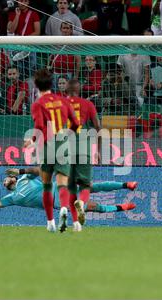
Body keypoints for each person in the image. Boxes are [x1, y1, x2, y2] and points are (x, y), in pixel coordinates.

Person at [0, 166, 138, 227]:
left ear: (13, 177)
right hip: (57, 200)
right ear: (7, 187)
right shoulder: (12, 198)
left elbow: (38, 170)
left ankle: (126, 185)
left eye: (7, 177)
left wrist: (20, 170)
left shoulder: (24, 179)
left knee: (93, 187)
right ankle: (123, 207)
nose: (5, 180)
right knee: (95, 206)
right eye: (4, 182)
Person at [26, 68, 79, 233]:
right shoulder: (63, 101)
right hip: (62, 142)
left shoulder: (38, 104)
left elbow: (40, 126)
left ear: (36, 85)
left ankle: (50, 222)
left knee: (47, 185)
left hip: (46, 144)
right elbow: (76, 123)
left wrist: (32, 140)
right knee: (63, 183)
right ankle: (64, 208)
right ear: (52, 84)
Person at [66, 79, 101, 227]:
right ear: (79, 89)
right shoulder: (88, 104)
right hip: (84, 149)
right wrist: (98, 151)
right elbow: (98, 127)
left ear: (66, 90)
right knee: (85, 185)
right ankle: (82, 203)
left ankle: (75, 223)